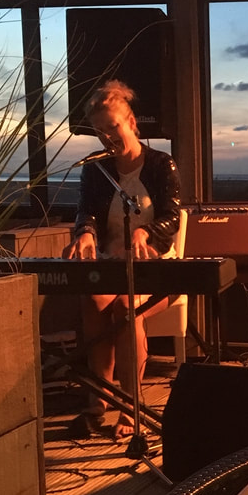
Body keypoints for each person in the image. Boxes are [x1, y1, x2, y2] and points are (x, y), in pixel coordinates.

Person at [63, 79, 182, 439]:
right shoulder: (95, 169)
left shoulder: (162, 165)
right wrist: (85, 231)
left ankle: (131, 407)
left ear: (131, 122)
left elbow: (173, 216)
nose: (107, 137)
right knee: (95, 303)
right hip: (111, 264)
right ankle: (97, 403)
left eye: (112, 127)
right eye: (99, 131)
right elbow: (86, 212)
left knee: (126, 309)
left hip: (155, 266)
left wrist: (145, 231)